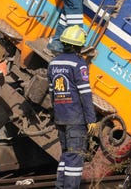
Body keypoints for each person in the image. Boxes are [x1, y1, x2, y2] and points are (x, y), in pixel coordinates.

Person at [47, 25, 98, 189]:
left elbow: (52, 93)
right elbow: (85, 94)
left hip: (61, 117)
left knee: (65, 156)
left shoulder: (53, 63)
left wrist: (57, 114)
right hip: (75, 119)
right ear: (79, 46)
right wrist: (91, 120)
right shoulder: (78, 64)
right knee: (75, 158)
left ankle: (59, 187)